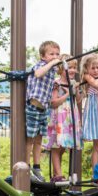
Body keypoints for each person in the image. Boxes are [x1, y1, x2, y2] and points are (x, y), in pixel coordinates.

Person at [26, 40, 61, 182]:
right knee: (30, 139)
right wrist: (52, 63)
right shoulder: (40, 65)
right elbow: (38, 74)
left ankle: (36, 166)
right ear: (43, 56)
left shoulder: (52, 70)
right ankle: (26, 166)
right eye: (51, 54)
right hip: (33, 106)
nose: (55, 56)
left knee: (39, 139)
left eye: (57, 54)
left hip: (43, 109)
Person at [44, 54, 83, 179]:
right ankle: (59, 174)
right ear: (61, 68)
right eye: (69, 67)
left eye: (74, 68)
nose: (72, 70)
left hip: (70, 115)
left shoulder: (73, 83)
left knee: (63, 147)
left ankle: (57, 174)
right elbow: (54, 102)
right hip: (59, 116)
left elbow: (78, 100)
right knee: (57, 146)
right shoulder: (57, 83)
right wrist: (67, 94)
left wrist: (76, 89)